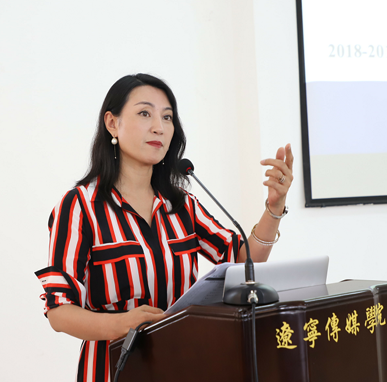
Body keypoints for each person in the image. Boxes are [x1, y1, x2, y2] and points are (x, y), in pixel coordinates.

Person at [35, 73, 293, 382]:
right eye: (145, 113)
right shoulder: (80, 206)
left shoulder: (182, 204)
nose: (159, 126)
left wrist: (274, 207)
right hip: (112, 371)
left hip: (180, 366)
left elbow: (242, 260)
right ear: (112, 123)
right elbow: (59, 311)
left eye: (167, 117)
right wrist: (123, 323)